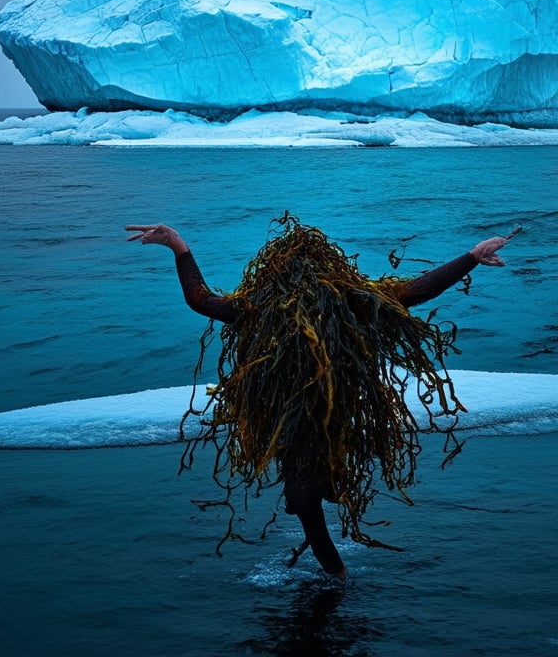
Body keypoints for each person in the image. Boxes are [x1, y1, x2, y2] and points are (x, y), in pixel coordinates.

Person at [126, 217, 517, 578]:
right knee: (305, 493)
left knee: (304, 496)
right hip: (321, 416)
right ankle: (335, 565)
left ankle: (335, 573)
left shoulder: (260, 306)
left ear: (272, 273)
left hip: (298, 418)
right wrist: (471, 256)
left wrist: (179, 246)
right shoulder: (355, 298)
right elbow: (418, 289)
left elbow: (200, 299)